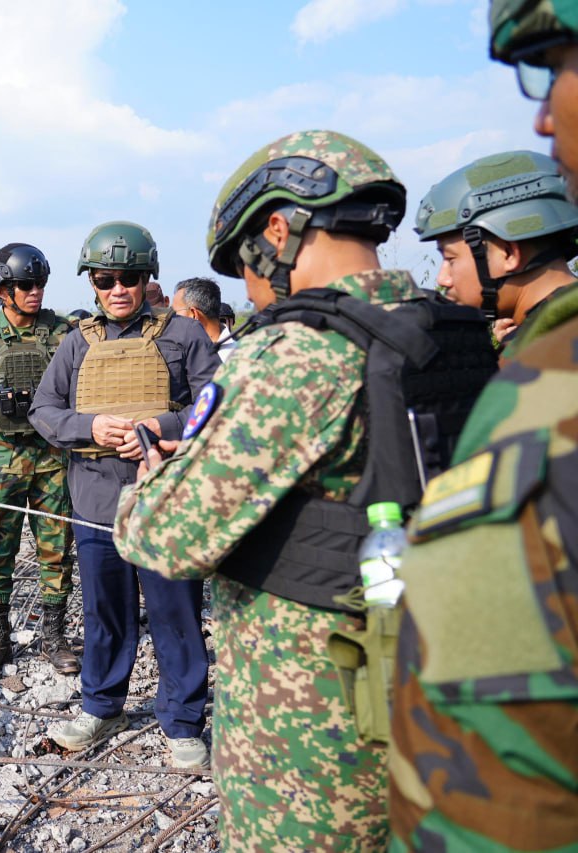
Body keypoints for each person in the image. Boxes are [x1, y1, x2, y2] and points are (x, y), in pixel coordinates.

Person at [112, 131, 426, 851]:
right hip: (434, 679)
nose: (247, 291)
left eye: (241, 266)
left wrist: (156, 476)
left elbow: (164, 535)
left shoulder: (297, 351)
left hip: (314, 714)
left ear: (276, 234)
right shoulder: (449, 329)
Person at [388, 4, 578, 848]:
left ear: (504, 250)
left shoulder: (549, 376)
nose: (440, 276)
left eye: (448, 255)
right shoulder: (525, 351)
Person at [28, 221, 218, 767]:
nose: (117, 289)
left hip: (163, 499)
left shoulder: (184, 336)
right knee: (104, 613)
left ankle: (183, 722)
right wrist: (89, 426)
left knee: (175, 613)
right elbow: (44, 410)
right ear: (91, 282)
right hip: (94, 500)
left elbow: (217, 402)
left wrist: (162, 426)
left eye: (129, 278)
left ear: (145, 278)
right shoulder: (75, 343)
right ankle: (102, 706)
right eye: (105, 279)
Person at [0, 243, 78, 676]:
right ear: (2, 290)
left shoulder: (64, 333)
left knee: (56, 549)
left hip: (50, 459)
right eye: (26, 285)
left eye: (40, 283)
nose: (35, 291)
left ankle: (54, 637)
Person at [413, 149, 578, 351]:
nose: (443, 279)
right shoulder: (549, 335)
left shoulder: (543, 352)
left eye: (450, 259)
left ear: (508, 253)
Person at [172, 277, 237, 362]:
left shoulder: (241, 357)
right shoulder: (174, 353)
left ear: (194, 314)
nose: (172, 318)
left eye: (175, 313)